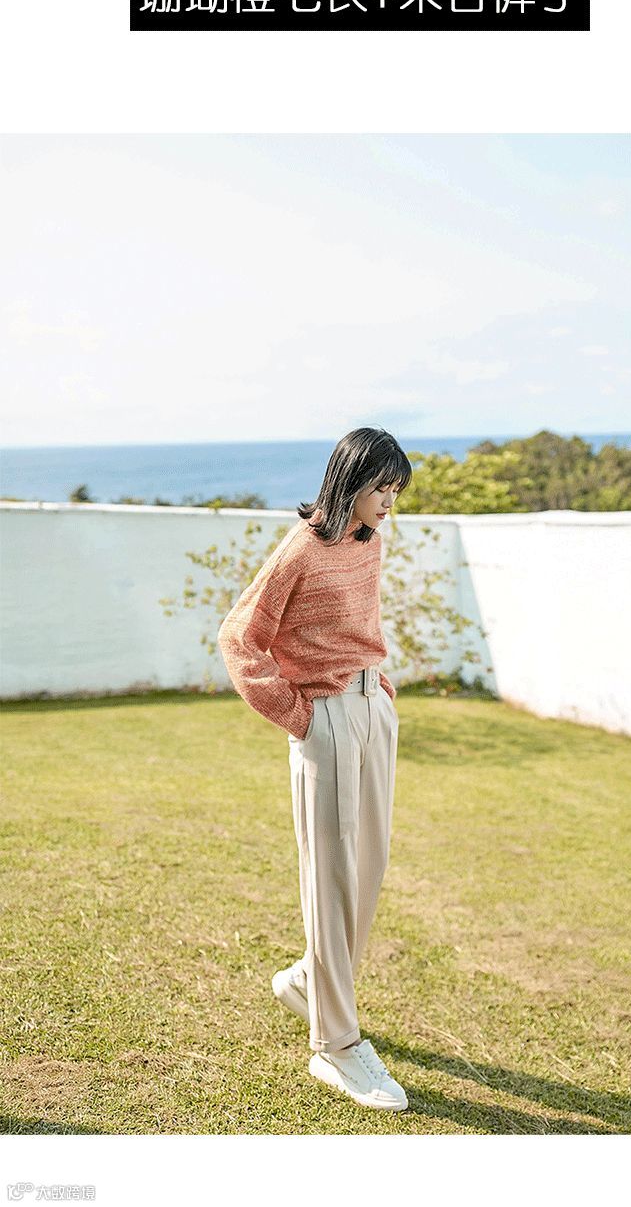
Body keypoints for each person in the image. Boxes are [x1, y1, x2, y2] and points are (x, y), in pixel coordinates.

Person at [217, 427, 413, 1112]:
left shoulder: (369, 542)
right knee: (330, 878)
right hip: (324, 721)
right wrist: (297, 715)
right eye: (381, 487)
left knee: (369, 868)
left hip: (373, 710)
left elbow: (357, 628)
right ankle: (335, 1045)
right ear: (349, 480)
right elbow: (240, 636)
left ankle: (308, 981)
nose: (389, 502)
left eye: (396, 491)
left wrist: (374, 685)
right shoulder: (301, 548)